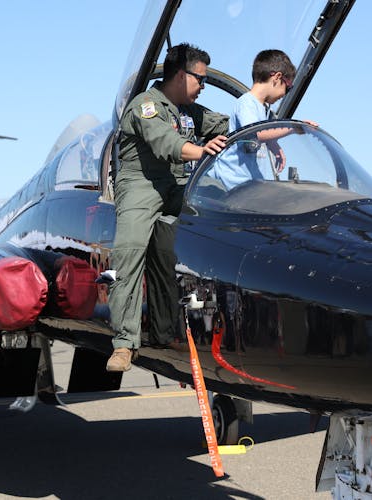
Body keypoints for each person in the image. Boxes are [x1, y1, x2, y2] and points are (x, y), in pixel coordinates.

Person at [106, 42, 229, 372]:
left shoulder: (187, 111)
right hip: (140, 190)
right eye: (200, 79)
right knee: (129, 257)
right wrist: (200, 151)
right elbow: (167, 142)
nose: (203, 87)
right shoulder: (146, 106)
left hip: (174, 192)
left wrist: (274, 129)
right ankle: (123, 344)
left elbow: (227, 125)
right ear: (179, 74)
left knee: (173, 259)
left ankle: (164, 333)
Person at [208, 49, 317, 189]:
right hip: (232, 183)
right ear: (277, 77)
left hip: (248, 183)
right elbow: (257, 132)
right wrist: (293, 128)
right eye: (288, 87)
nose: (284, 94)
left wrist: (274, 145)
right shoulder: (247, 103)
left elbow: (256, 135)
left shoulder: (262, 109)